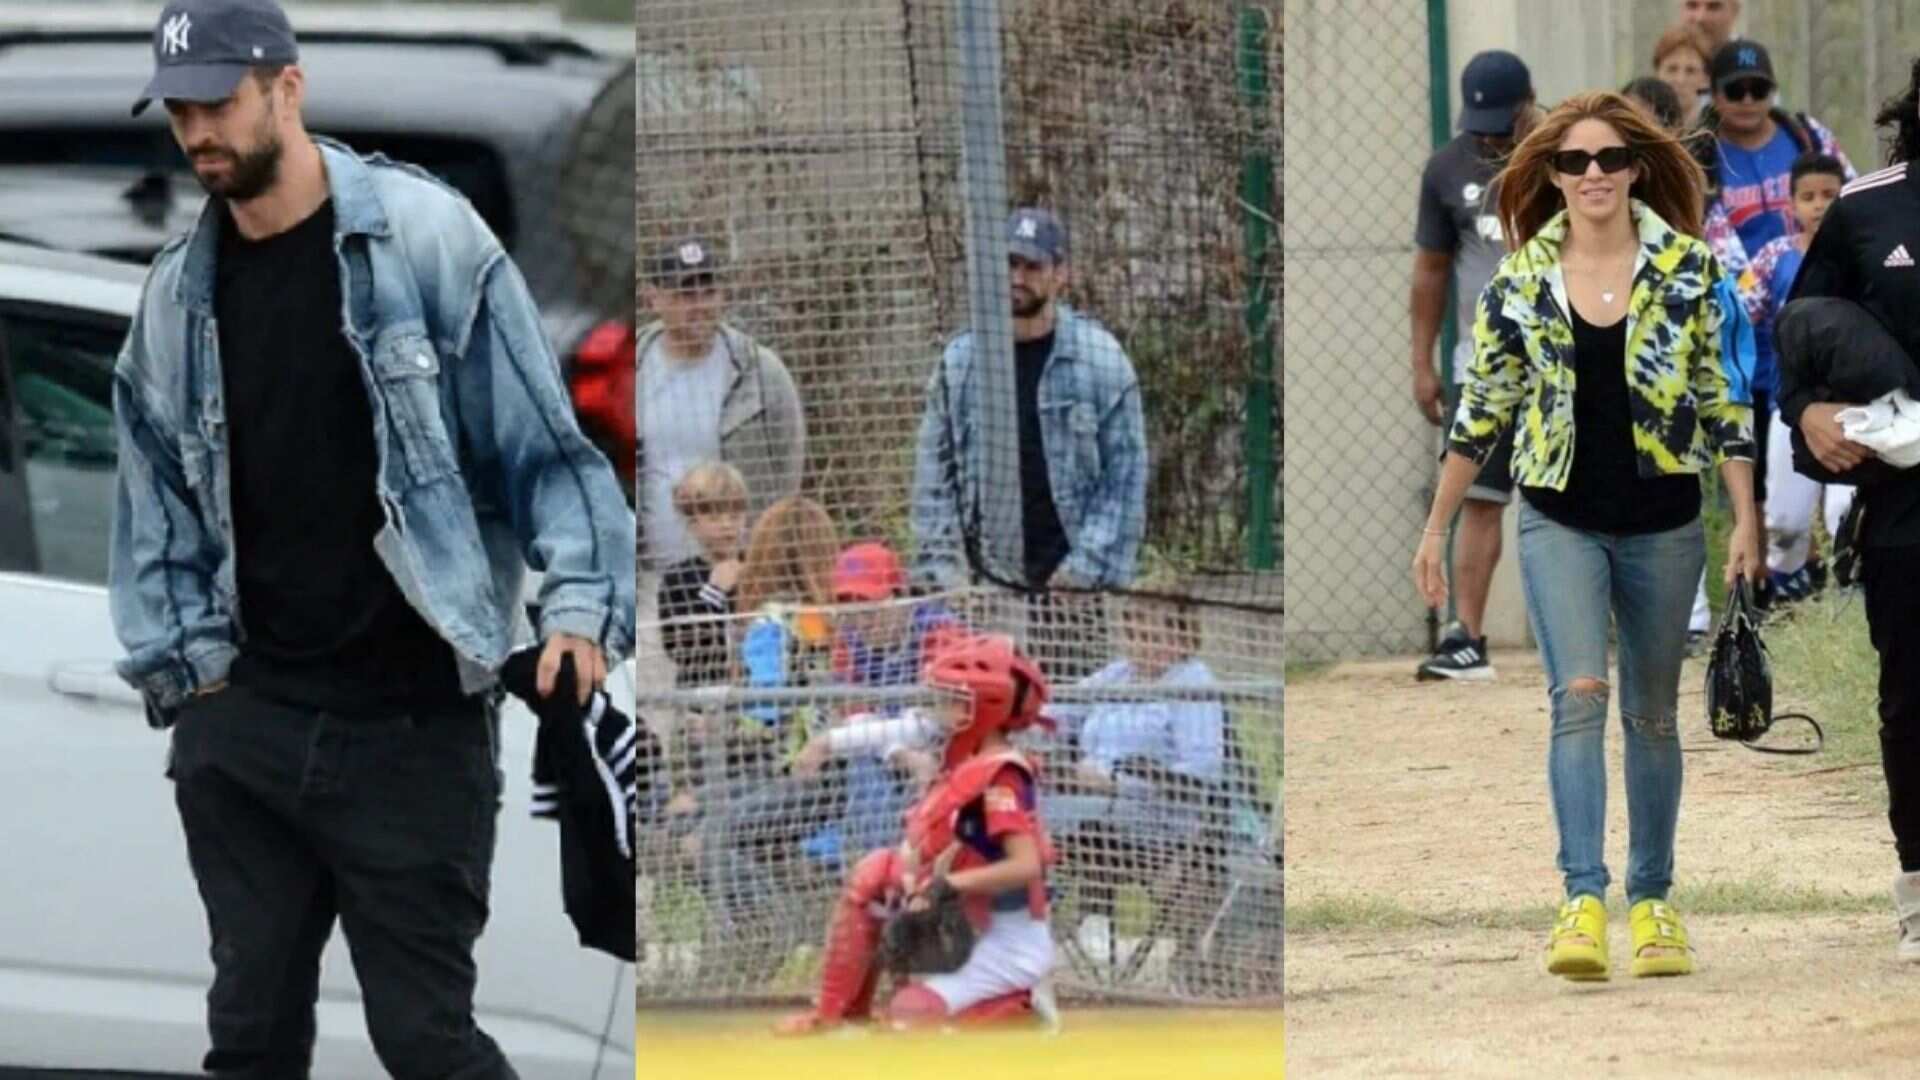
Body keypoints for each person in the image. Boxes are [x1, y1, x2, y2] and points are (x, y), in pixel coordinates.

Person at [109, 0, 634, 1073]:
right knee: (249, 1035)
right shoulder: (175, 298)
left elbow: (545, 446)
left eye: (219, 102)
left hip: (411, 732)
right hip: (248, 729)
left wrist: (578, 606)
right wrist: (195, 689)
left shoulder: (425, 239)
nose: (199, 131)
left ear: (286, 89)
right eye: (180, 111)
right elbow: (152, 500)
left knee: (424, 1038)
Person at [1412, 92, 1761, 983]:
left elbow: (1724, 399)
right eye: (1575, 163)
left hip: (1664, 521)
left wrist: (1746, 518)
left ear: (1637, 168)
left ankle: (1652, 903)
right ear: (1553, 177)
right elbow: (1481, 408)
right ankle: (1582, 900)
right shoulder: (1521, 280)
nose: (1594, 174)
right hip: (1559, 516)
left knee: (1651, 714)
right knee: (1577, 695)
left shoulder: (1688, 269)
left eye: (1609, 159)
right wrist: (1438, 525)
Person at [1782, 57, 1920, 961]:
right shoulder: (1867, 210)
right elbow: (1799, 346)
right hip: (1909, 504)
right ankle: (1919, 884)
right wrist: (1811, 417)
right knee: (1914, 702)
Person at [777, 634, 1061, 1034]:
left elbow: (1026, 864)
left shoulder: (1002, 774)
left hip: (1005, 940)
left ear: (981, 708)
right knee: (875, 873)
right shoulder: (965, 756)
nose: (936, 708)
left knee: (910, 1019)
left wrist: (948, 883)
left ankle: (1015, 1008)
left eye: (948, 699)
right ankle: (836, 1015)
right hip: (969, 920)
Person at [909, 208, 1148, 596]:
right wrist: (946, 574)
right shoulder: (960, 363)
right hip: (983, 585)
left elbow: (1124, 480)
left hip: (1072, 590)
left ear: (1060, 274)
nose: (1017, 278)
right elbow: (934, 477)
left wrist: (1084, 571)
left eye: (1033, 267)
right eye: (1009, 263)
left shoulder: (1101, 363)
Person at [1410, 49, 1536, 681]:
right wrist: (1422, 363)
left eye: (1500, 119)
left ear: (1526, 106)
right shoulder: (1445, 167)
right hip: (1480, 362)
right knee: (1479, 498)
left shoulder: (1559, 159)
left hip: (1559, 361)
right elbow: (1431, 271)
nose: (1489, 133)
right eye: (1479, 119)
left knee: (1565, 501)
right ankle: (1468, 637)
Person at [637, 237, 807, 570]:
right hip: (648, 582)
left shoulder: (760, 371)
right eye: (685, 295)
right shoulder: (632, 367)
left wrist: (762, 558)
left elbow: (789, 468)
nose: (700, 305)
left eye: (709, 292)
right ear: (652, 297)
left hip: (737, 574)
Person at [1744, 153, 1855, 600]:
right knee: (1785, 523)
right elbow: (1739, 311)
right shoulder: (1773, 258)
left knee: (1844, 509)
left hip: (1853, 406)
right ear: (1790, 205)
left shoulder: (1863, 254)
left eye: (1830, 195)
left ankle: (1851, 596)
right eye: (1808, 197)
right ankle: (1787, 590)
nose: (1819, 205)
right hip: (1787, 406)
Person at [658, 460, 749, 688]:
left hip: (756, 695)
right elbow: (678, 649)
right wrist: (714, 592)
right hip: (701, 694)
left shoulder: (758, 567)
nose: (727, 525)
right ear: (692, 523)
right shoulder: (677, 578)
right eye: (715, 517)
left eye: (735, 515)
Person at [1652, 24, 1714, 128]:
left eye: (1691, 71)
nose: (1680, 80)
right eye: (1672, 69)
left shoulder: (1719, 132)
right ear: (1657, 73)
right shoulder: (1640, 126)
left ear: (1706, 79)